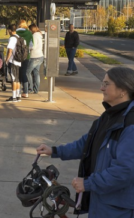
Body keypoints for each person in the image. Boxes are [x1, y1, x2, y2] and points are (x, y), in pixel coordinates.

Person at [36, 67, 134, 218]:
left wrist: (88, 183)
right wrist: (55, 151)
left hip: (118, 206)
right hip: (101, 198)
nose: (101, 87)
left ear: (123, 90)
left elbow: (125, 170)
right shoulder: (108, 116)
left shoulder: (130, 124)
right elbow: (85, 144)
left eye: (106, 84)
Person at [22, 23, 44, 98]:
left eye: (30, 29)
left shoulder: (34, 36)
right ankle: (36, 89)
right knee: (36, 73)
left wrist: (27, 47)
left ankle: (30, 88)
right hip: (40, 56)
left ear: (32, 29)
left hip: (34, 56)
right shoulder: (39, 35)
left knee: (27, 72)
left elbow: (33, 46)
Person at [5, 24, 23, 102]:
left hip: (13, 61)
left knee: (13, 79)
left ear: (10, 30)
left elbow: (10, 50)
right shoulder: (19, 38)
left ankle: (14, 97)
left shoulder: (12, 38)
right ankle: (18, 96)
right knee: (17, 79)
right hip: (19, 61)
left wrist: (7, 60)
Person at [16, 20, 33, 97]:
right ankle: (25, 92)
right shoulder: (29, 33)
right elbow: (32, 46)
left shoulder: (16, 33)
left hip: (17, 56)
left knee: (18, 73)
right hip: (26, 56)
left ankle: (18, 92)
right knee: (24, 73)